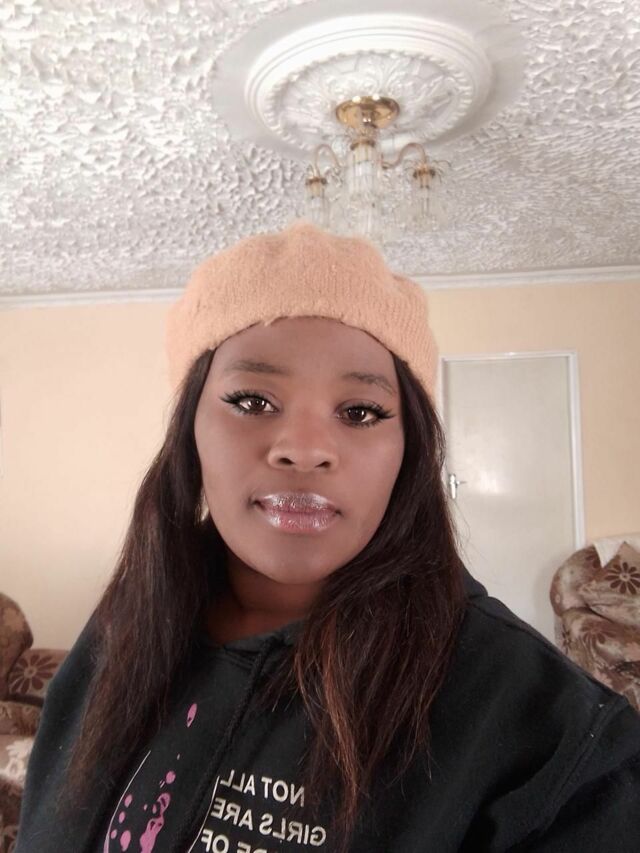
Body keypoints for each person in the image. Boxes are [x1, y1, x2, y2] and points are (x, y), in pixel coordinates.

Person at [15, 222, 640, 853]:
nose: (305, 449)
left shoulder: (552, 739)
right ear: (189, 429)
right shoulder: (121, 629)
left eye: (360, 411)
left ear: (410, 450)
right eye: (252, 401)